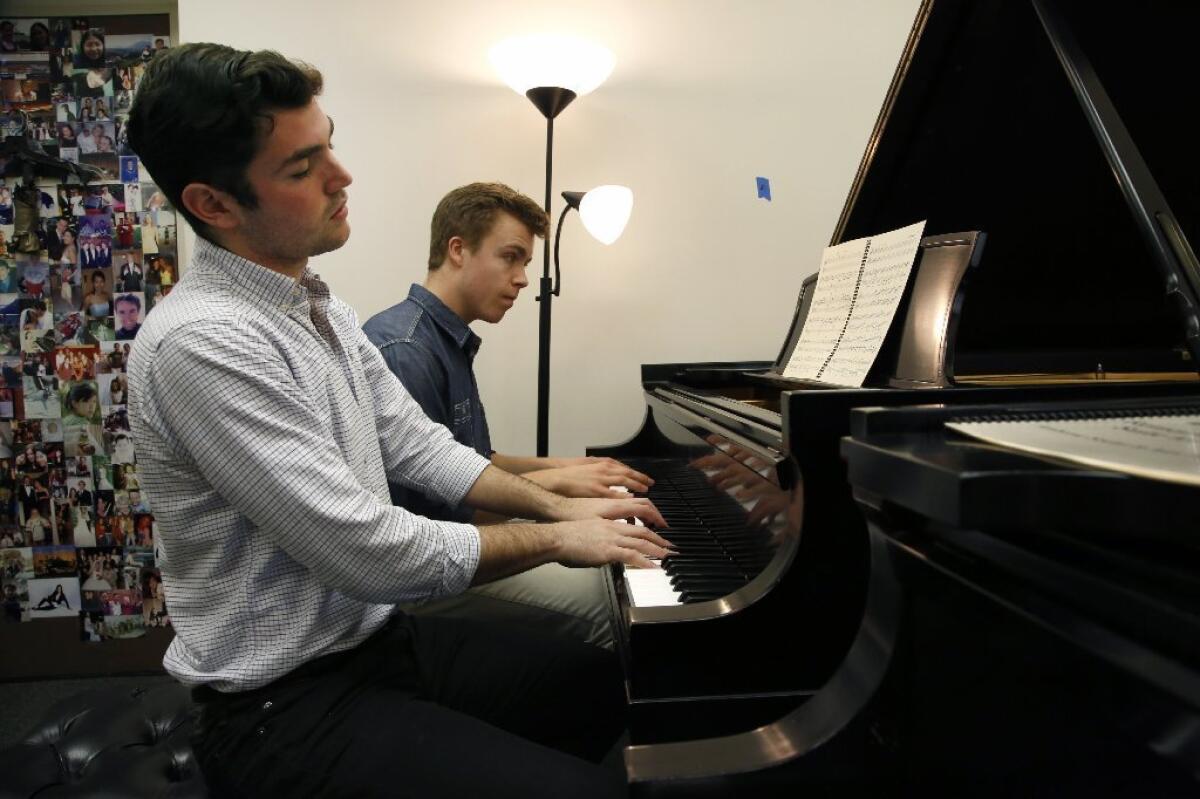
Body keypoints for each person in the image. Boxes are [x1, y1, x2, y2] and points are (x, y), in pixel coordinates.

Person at [126, 43, 670, 799]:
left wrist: (564, 502)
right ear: (213, 205)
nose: (341, 176)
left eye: (330, 145)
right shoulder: (204, 343)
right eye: (300, 167)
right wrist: (559, 536)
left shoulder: (319, 307)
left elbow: (421, 446)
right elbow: (365, 550)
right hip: (284, 707)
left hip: (379, 643)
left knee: (613, 677)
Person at [363, 182, 654, 648]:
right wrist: (557, 499)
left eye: (526, 263)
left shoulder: (442, 338)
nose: (521, 277)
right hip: (418, 579)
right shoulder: (406, 351)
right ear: (458, 249)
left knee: (608, 560)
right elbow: (433, 515)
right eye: (511, 257)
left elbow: (473, 461)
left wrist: (568, 469)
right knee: (608, 597)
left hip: (457, 536)